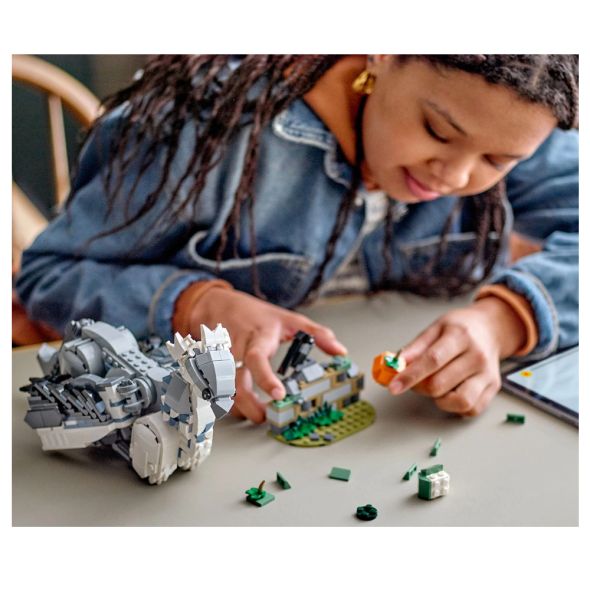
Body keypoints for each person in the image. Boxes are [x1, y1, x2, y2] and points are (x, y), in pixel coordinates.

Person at [16, 55, 579, 423]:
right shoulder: (205, 129)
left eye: (498, 161)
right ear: (383, 53)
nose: (454, 176)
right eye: (437, 131)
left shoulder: (518, 107)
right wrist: (196, 305)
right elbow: (50, 274)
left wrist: (502, 321)